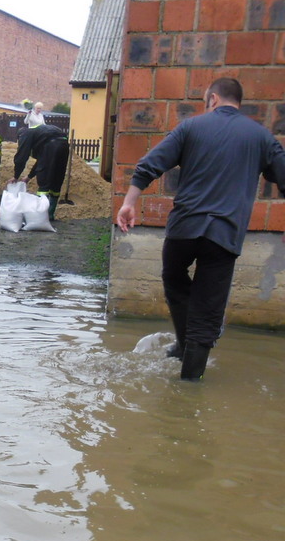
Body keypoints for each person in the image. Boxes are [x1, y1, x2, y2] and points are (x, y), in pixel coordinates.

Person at [116, 77, 285, 381]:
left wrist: (129, 203)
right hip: (224, 235)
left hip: (184, 228)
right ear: (238, 102)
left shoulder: (190, 127)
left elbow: (149, 165)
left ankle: (185, 345)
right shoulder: (261, 137)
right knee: (207, 310)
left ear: (213, 99)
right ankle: (189, 383)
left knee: (174, 279)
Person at [9, 124, 70, 221]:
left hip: (51, 145)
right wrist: (29, 177)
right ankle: (50, 214)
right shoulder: (39, 132)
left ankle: (39, 216)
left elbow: (21, 157)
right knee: (57, 178)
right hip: (64, 145)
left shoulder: (25, 134)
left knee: (44, 181)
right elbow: (43, 160)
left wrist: (16, 176)